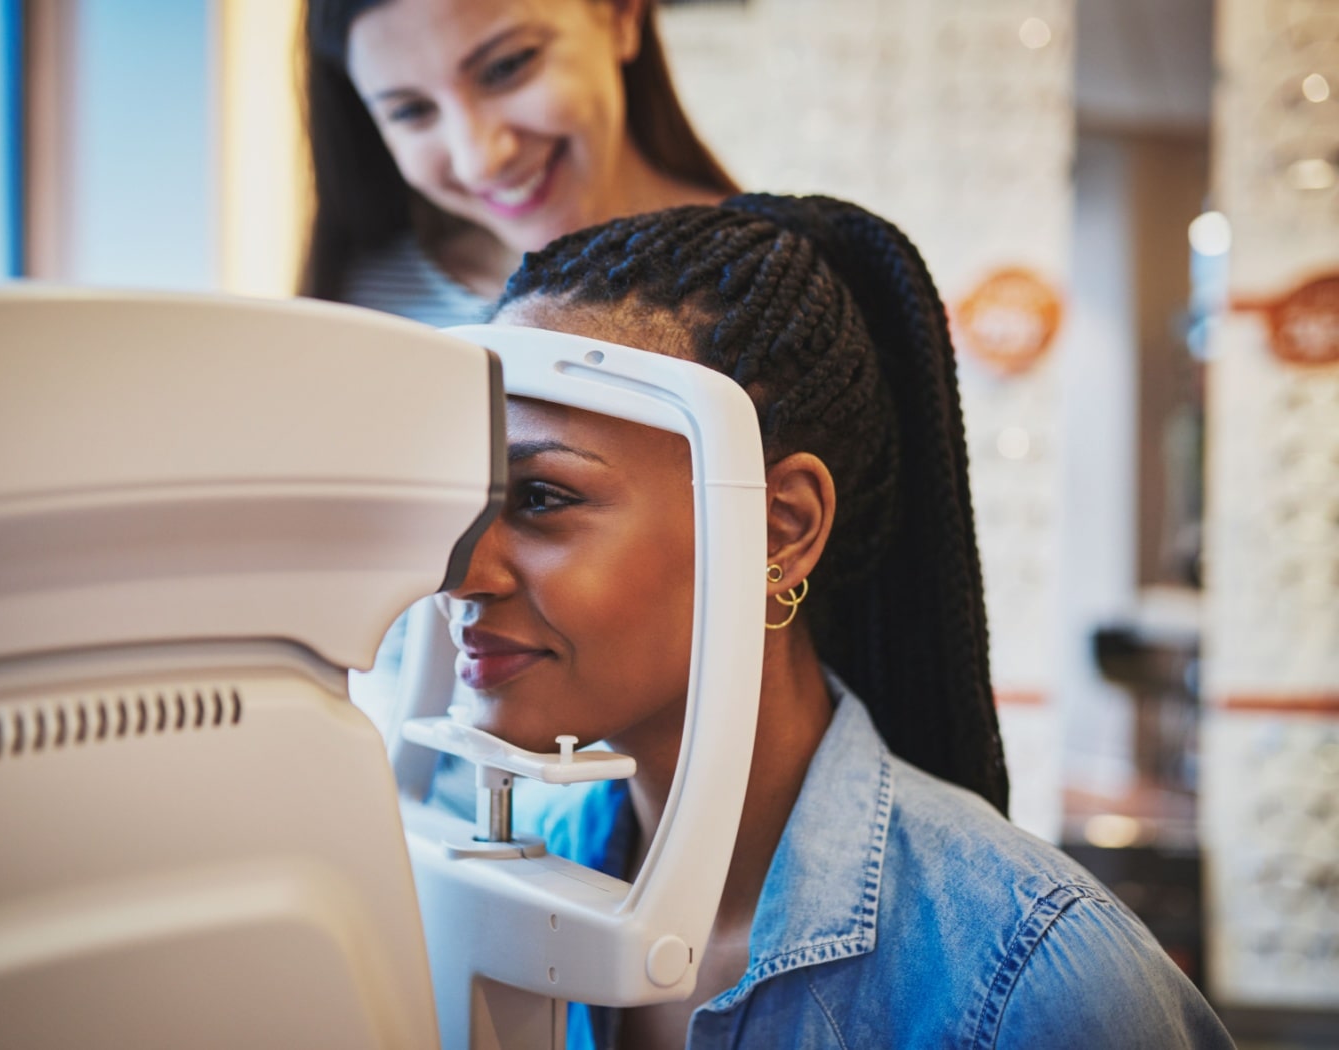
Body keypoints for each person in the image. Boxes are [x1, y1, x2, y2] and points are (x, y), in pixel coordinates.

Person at [444, 196, 1236, 1049]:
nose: (460, 574)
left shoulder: (1038, 987)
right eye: (464, 496)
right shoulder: (515, 875)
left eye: (541, 498)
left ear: (779, 529)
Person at [300, 0, 737, 325]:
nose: (479, 162)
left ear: (622, 14)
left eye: (506, 66)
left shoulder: (781, 281)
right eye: (411, 111)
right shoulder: (355, 309)